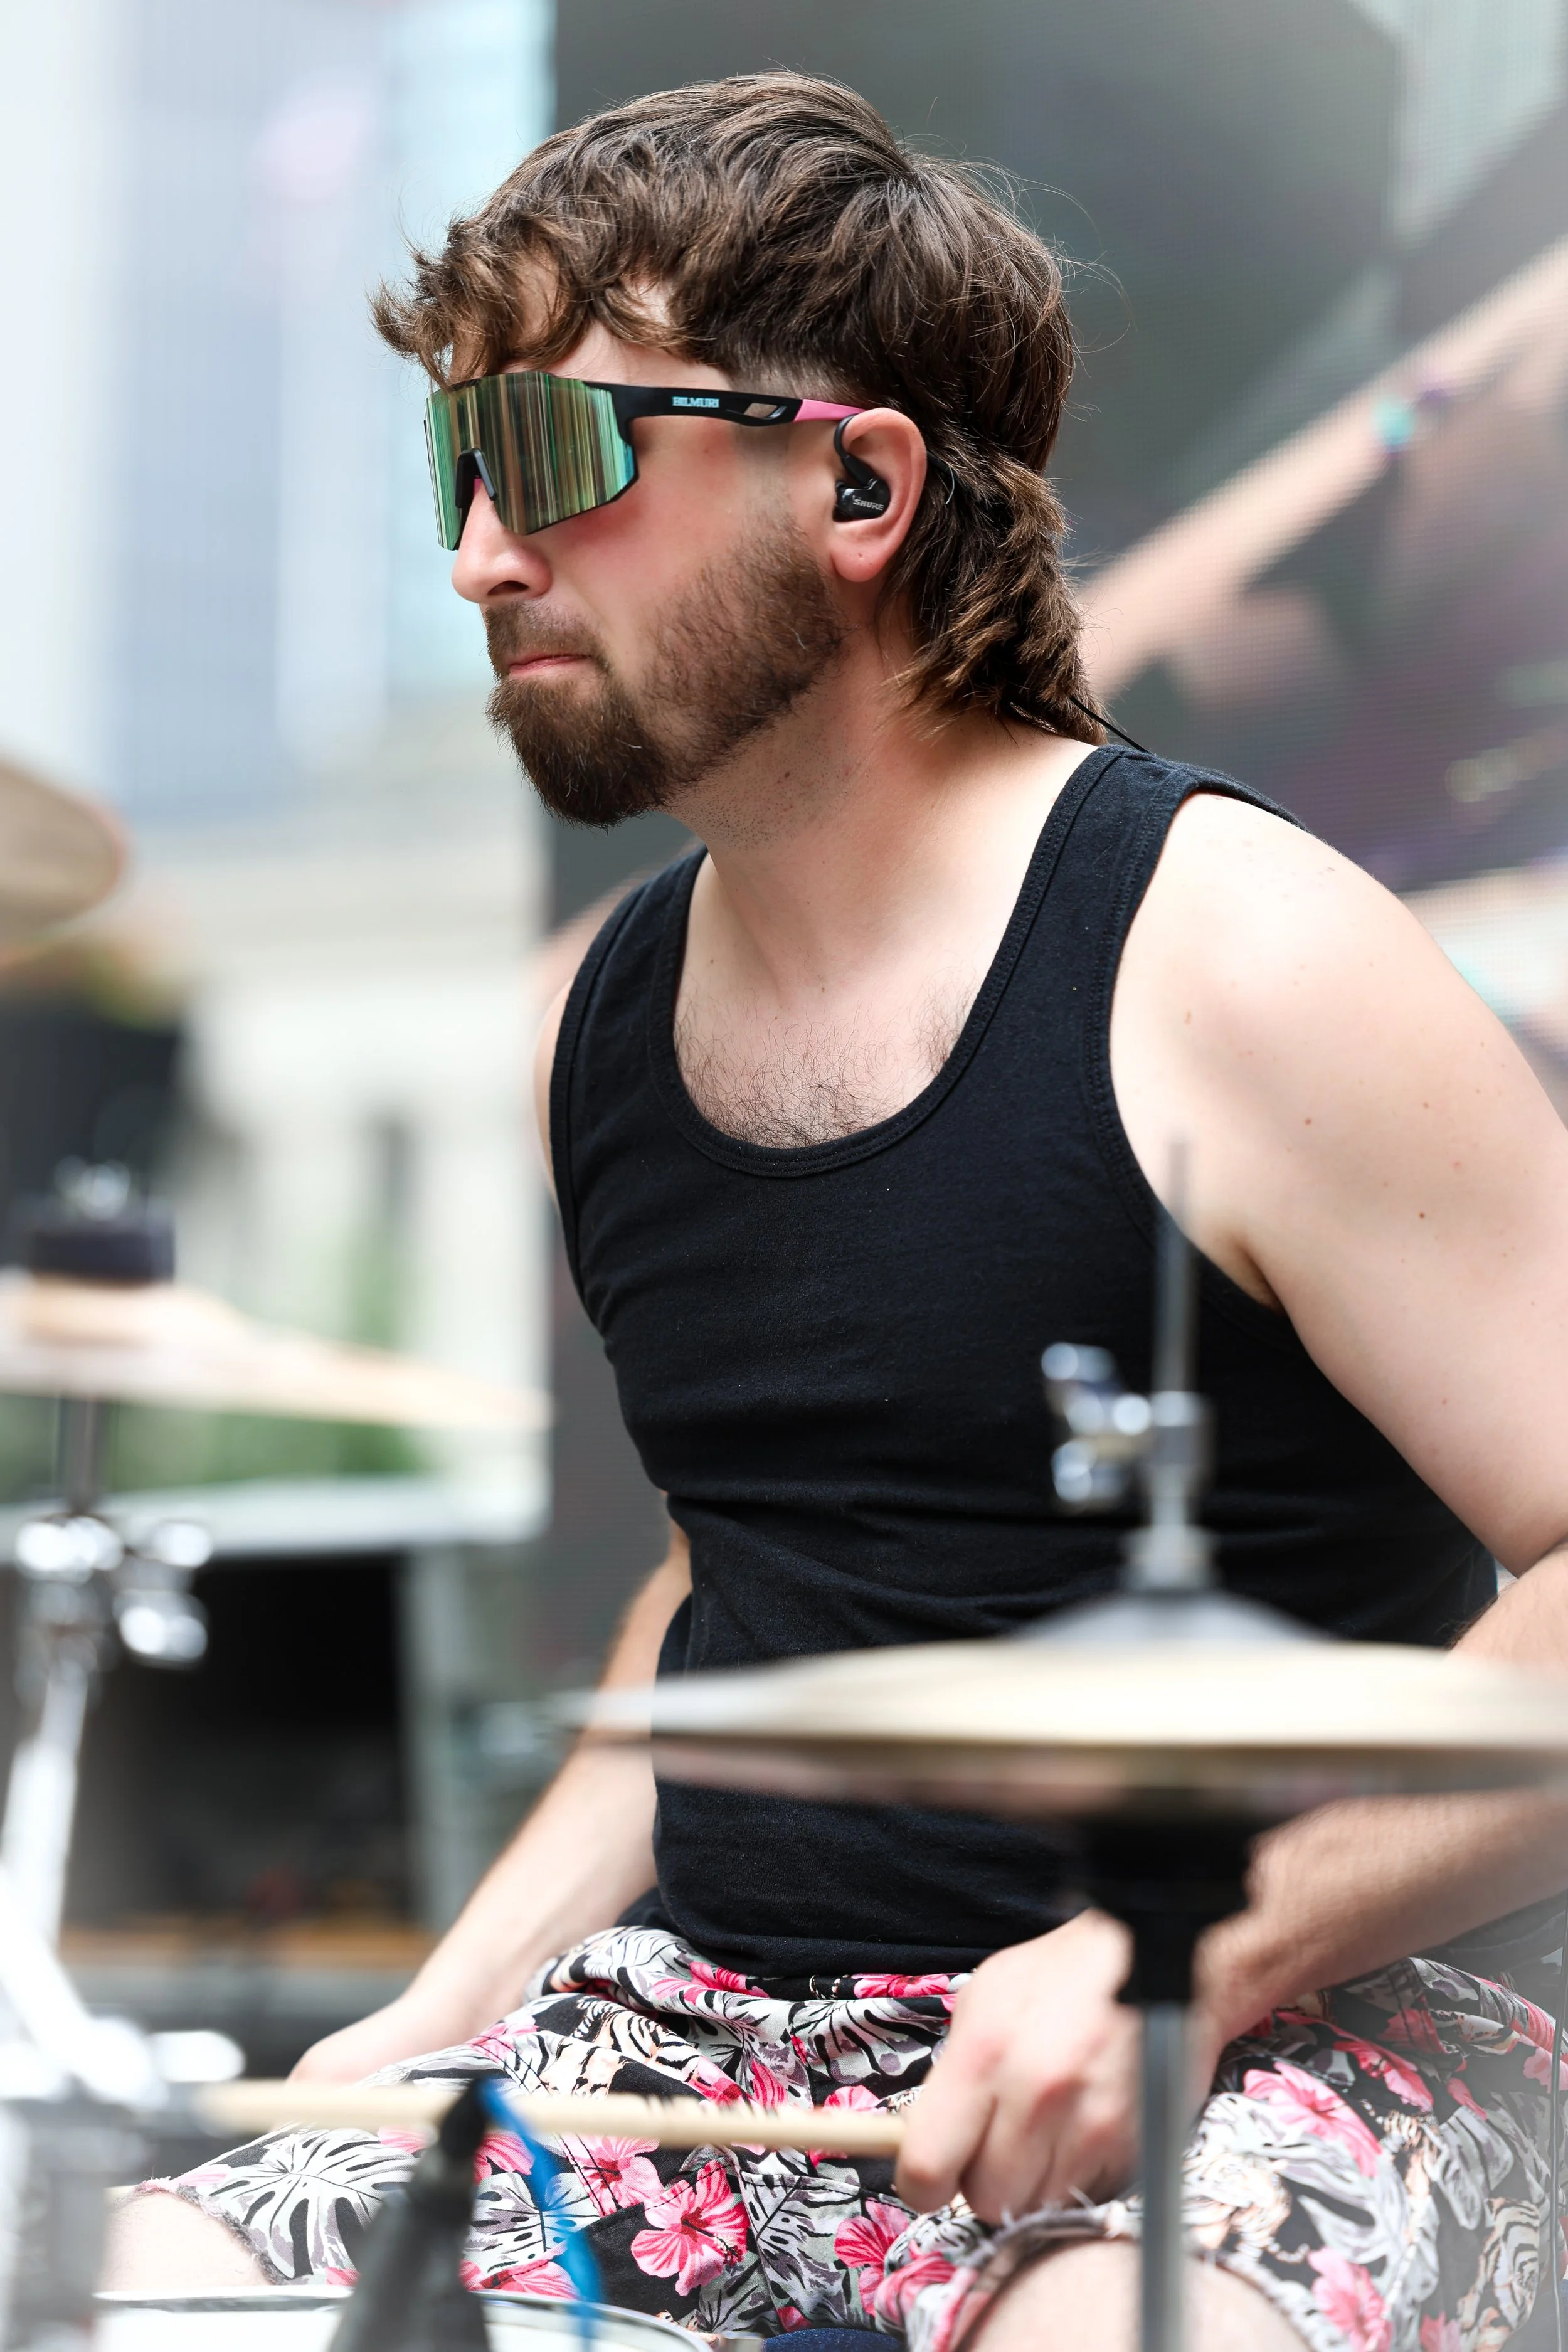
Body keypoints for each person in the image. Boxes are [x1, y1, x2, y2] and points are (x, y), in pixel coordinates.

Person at [107, 71, 1568, 2352]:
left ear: (860, 483)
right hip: (724, 2047)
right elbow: (750, 1577)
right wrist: (443, 2007)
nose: (485, 551)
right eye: (453, 469)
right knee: (157, 2297)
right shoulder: (606, 1020)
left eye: (561, 455)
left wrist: (1177, 1952)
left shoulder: (1238, 955)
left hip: (1285, 2046)